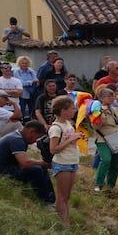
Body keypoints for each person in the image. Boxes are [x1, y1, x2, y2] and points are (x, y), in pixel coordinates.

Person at [0, 120, 54, 203]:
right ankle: (45, 201)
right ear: (31, 132)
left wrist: (41, 164)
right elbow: (25, 163)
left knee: (40, 167)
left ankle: (51, 198)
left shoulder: (17, 136)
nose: (35, 141)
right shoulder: (16, 140)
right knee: (37, 170)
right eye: (36, 137)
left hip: (5, 167)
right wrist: (43, 163)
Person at [44, 95, 82, 224]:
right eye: (71, 109)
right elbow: (53, 149)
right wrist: (71, 139)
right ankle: (64, 224)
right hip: (62, 163)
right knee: (62, 196)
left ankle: (65, 220)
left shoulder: (68, 123)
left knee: (67, 196)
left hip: (72, 161)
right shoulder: (55, 128)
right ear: (62, 111)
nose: (74, 111)